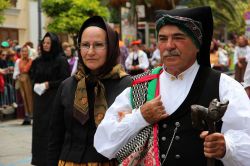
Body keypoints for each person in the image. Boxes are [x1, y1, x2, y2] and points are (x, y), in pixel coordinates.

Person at [94, 6, 250, 166]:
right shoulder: (140, 86)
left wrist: (228, 147)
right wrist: (140, 117)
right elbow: (104, 144)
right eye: (162, 39)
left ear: (198, 45)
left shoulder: (225, 86)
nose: (169, 46)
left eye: (178, 37)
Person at [47, 16, 131, 166]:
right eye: (85, 45)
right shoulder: (67, 86)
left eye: (98, 45)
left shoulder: (127, 85)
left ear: (111, 47)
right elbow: (55, 136)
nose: (90, 52)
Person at [30, 32, 70, 166]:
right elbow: (33, 76)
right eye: (44, 43)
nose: (46, 45)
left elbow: (65, 79)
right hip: (40, 100)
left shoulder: (61, 60)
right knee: (39, 129)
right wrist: (35, 85)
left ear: (54, 44)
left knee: (53, 128)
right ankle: (39, 159)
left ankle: (53, 160)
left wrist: (49, 84)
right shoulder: (37, 61)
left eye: (49, 43)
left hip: (54, 99)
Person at [13, 45, 33, 125]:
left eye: (26, 51)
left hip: (29, 81)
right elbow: (15, 72)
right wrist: (18, 76)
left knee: (30, 98)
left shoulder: (32, 61)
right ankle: (25, 117)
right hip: (21, 81)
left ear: (28, 52)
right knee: (22, 98)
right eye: (23, 51)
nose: (24, 53)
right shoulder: (18, 61)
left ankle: (31, 116)